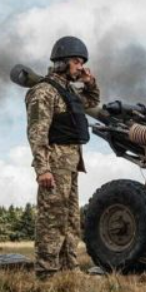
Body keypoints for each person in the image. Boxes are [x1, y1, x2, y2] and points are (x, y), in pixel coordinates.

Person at [25, 36, 100, 279]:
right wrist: (42, 169)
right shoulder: (44, 91)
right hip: (55, 161)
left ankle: (69, 269)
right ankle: (47, 272)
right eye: (77, 62)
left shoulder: (68, 92)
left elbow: (91, 102)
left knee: (69, 219)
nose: (81, 67)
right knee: (52, 218)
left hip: (71, 163)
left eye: (82, 63)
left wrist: (89, 83)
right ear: (62, 62)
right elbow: (37, 132)